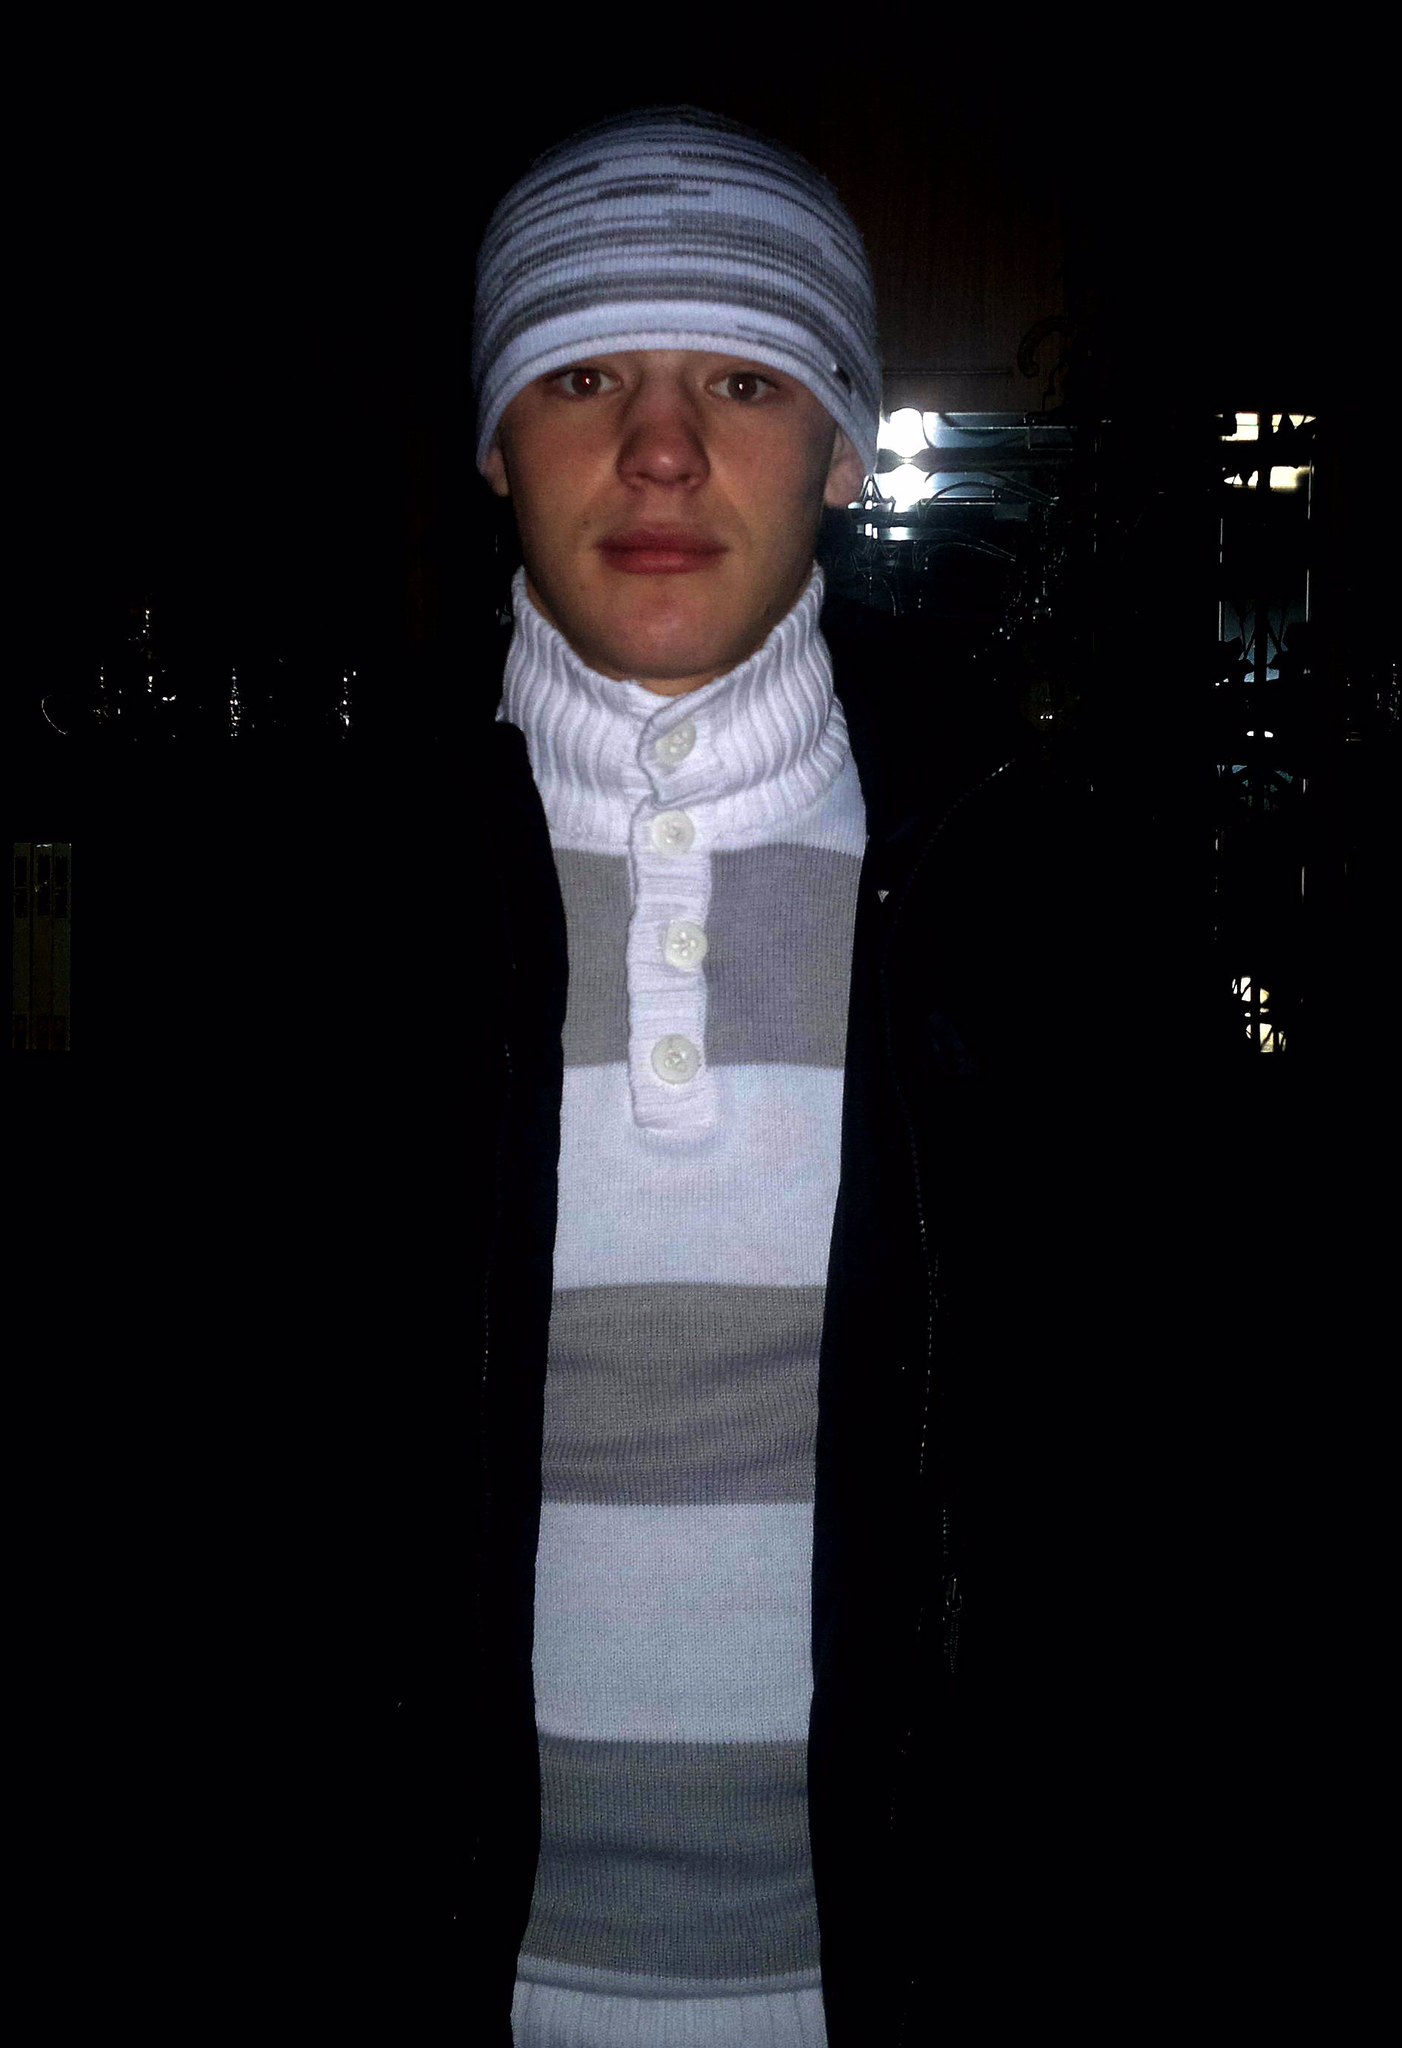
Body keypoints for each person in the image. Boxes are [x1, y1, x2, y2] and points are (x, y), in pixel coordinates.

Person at [378, 103, 1163, 2048]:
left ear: (838, 444)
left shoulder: (1025, 889)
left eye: (739, 378)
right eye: (583, 375)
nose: (659, 449)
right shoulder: (321, 908)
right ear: (493, 443)